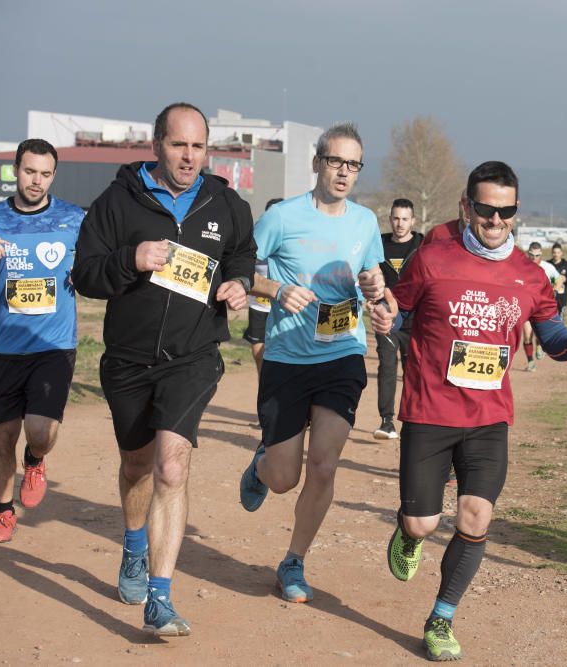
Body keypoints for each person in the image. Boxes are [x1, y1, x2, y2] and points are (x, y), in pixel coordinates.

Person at [374, 161, 567, 661]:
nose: (496, 221)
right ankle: (408, 531)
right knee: (424, 525)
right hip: (430, 411)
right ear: (466, 206)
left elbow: (550, 331)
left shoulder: (527, 273)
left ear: (516, 213)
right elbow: (399, 309)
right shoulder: (432, 258)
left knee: (475, 517)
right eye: (486, 210)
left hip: (489, 418)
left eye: (506, 212)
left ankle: (441, 618)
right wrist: (387, 314)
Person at [72, 102, 255, 637]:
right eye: (179, 145)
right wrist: (131, 259)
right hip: (127, 360)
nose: (189, 157)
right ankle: (132, 549)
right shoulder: (116, 203)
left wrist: (239, 283)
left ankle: (160, 596)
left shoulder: (225, 201)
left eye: (198, 147)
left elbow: (242, 253)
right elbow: (85, 273)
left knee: (171, 466)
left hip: (193, 356)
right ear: (157, 145)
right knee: (135, 465)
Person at [238, 122, 387, 605]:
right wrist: (277, 289)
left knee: (324, 466)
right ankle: (263, 466)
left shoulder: (365, 222)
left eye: (353, 164)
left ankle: (293, 561)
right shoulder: (282, 217)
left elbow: (375, 278)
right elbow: (240, 270)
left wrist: (377, 294)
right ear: (317, 163)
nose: (344, 172)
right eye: (336, 161)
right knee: (286, 478)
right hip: (287, 358)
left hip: (343, 353)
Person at [0, 139, 84, 544]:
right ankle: (4, 513)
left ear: (53, 175)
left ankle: (36, 458)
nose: (36, 181)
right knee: (1, 435)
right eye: (29, 171)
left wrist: (84, 271)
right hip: (5, 347)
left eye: (44, 173)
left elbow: (96, 268)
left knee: (40, 429)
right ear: (15, 170)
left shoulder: (73, 219)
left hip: (54, 345)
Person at [373, 198, 423, 440]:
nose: (400, 224)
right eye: (395, 218)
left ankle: (412, 422)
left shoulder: (423, 244)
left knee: (413, 371)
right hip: (386, 317)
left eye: (405, 219)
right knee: (387, 366)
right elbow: (367, 271)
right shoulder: (378, 244)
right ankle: (386, 422)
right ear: (389, 219)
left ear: (412, 221)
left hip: (417, 320)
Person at [243, 198, 283, 379]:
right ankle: (264, 385)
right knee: (259, 353)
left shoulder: (289, 240)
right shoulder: (256, 238)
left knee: (281, 355)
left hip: (282, 305)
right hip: (258, 305)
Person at [521, 241, 563, 371]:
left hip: (542, 308)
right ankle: (530, 362)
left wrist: (555, 289)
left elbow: (560, 278)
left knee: (539, 334)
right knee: (528, 335)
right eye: (531, 255)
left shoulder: (548, 267)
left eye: (537, 255)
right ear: (528, 254)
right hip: (527, 306)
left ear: (541, 255)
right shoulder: (522, 267)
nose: (534, 258)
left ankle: (539, 346)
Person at [548, 242, 567, 320]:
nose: (556, 254)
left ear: (561, 253)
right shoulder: (548, 264)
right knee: (549, 319)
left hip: (562, 298)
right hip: (549, 297)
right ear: (552, 253)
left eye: (558, 252)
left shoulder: (566, 265)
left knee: (560, 319)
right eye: (554, 252)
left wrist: (565, 279)